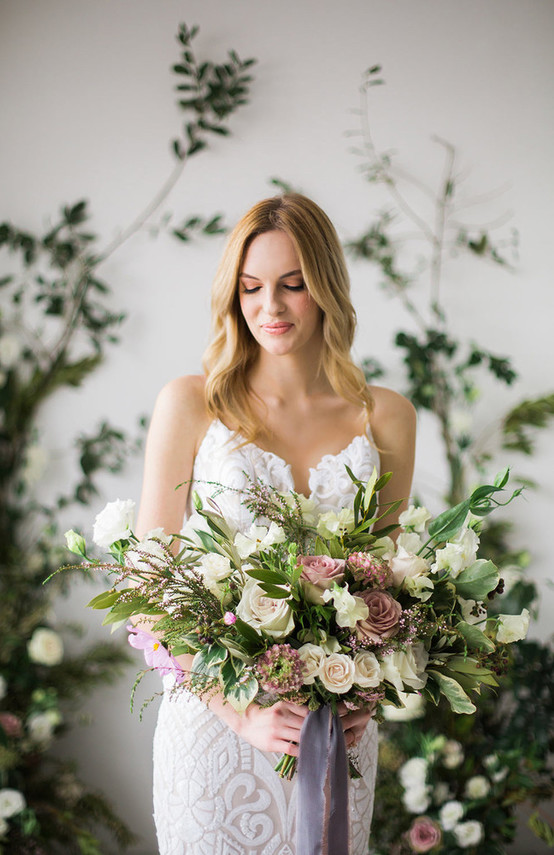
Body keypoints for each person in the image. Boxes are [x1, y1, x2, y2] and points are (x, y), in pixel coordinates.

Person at [135, 193, 416, 854]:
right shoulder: (190, 403)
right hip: (215, 730)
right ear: (233, 293)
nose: (272, 306)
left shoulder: (387, 416)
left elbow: (393, 587)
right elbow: (147, 590)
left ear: (325, 288)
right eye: (252, 286)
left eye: (293, 285)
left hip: (336, 730)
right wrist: (242, 713)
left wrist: (364, 699)